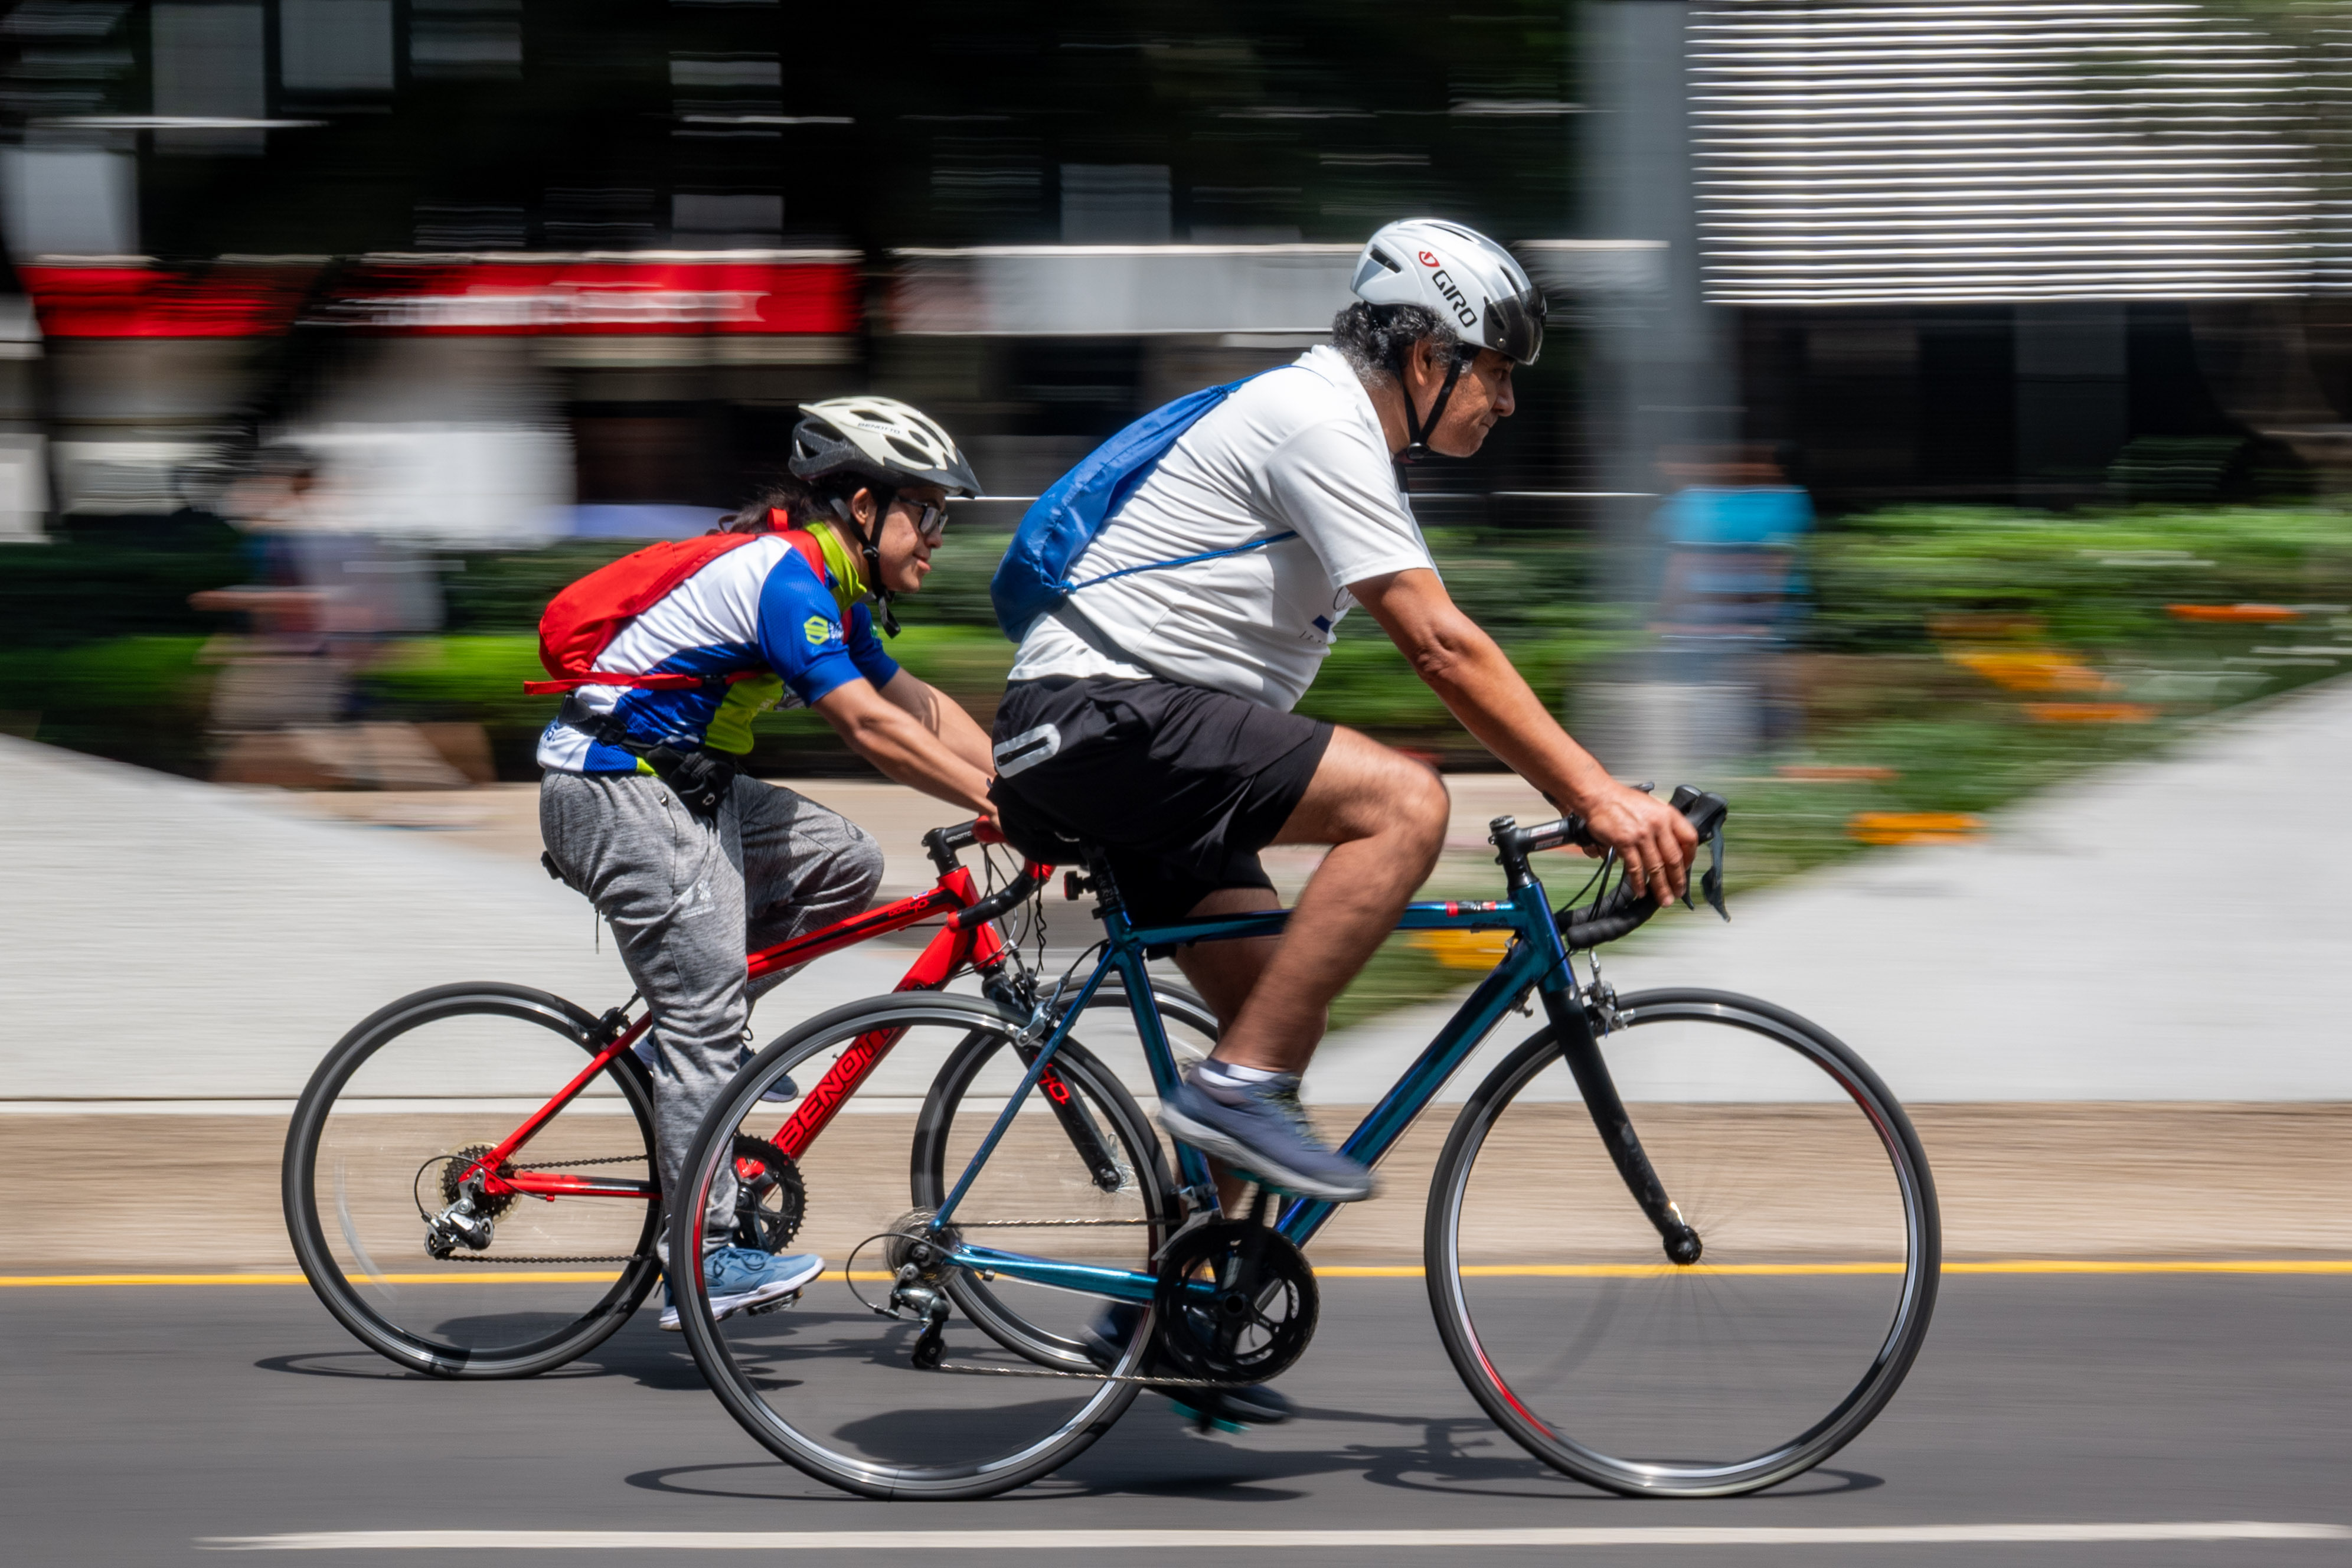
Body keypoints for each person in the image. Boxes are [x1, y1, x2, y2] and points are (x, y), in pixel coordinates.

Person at [989, 214, 1698, 1311]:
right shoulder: (1315, 419)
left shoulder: (1329, 428)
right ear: (1427, 357)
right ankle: (1234, 1093)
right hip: (1105, 719)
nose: (1506, 402)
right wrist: (1594, 794)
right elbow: (1441, 644)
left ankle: (1198, 1310)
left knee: (1276, 1009)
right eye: (1496, 372)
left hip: (1123, 738)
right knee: (1406, 806)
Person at [535, 397, 999, 1329]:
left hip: (687, 787)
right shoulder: (786, 579)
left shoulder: (834, 586)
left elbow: (914, 705)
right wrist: (997, 807)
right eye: (929, 512)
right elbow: (868, 726)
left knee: (845, 862)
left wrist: (1032, 790)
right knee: (705, 1017)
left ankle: (693, 1033)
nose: (939, 536)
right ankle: (699, 1255)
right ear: (864, 507)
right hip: (613, 787)